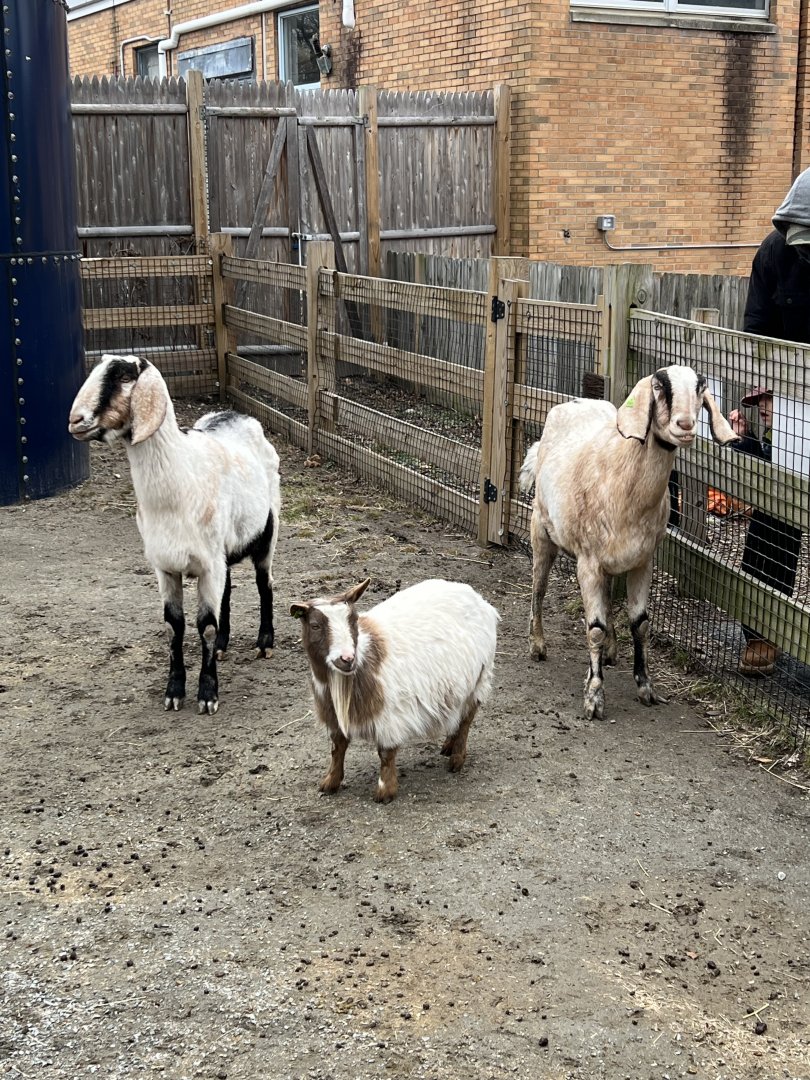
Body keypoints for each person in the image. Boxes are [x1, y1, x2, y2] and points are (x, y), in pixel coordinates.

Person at [732, 167, 810, 675]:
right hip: (793, 403)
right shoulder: (774, 253)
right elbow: (756, 333)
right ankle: (762, 629)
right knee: (778, 509)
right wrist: (757, 395)